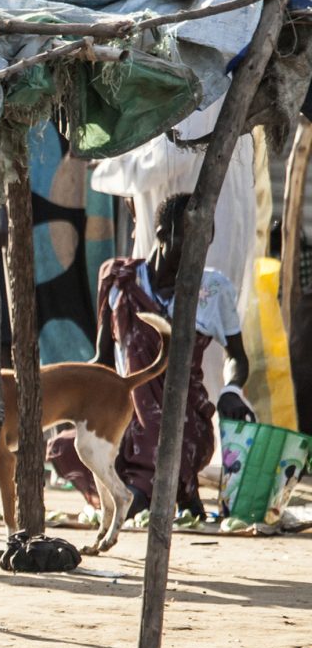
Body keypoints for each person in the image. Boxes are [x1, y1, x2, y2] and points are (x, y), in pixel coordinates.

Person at [49, 193, 255, 521]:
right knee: (67, 448)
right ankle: (172, 494)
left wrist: (232, 391)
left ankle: (151, 493)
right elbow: (102, 360)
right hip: (126, 415)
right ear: (161, 234)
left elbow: (238, 357)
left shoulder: (213, 289)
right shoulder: (120, 280)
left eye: (205, 243)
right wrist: (69, 399)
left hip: (184, 420)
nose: (196, 253)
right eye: (188, 240)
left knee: (144, 482)